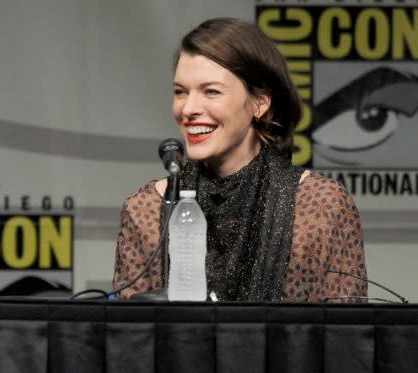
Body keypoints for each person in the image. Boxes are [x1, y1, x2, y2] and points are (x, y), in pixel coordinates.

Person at [113, 18, 367, 302]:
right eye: (180, 92)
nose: (189, 108)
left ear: (260, 102)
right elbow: (129, 337)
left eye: (211, 91)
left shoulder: (321, 206)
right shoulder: (145, 209)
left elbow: (345, 339)